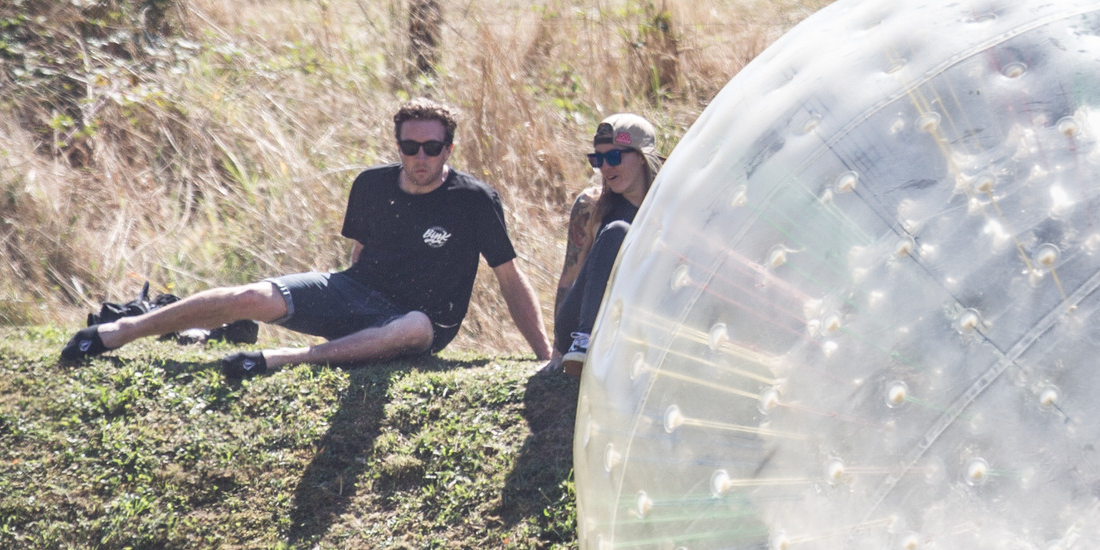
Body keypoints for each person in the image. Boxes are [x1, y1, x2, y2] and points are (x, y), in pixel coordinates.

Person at [60, 99, 552, 377]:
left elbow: (509, 278)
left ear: (449, 147)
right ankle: (117, 334)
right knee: (250, 295)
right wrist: (341, 299)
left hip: (417, 322)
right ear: (397, 144)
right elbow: (357, 255)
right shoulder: (370, 185)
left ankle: (278, 360)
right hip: (355, 294)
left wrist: (544, 359)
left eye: (431, 147)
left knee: (416, 329)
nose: (420, 157)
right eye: (410, 146)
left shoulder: (474, 199)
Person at [551, 114, 659, 375]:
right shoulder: (591, 205)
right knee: (618, 232)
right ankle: (585, 340)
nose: (605, 168)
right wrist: (557, 351)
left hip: (636, 321)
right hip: (579, 322)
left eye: (613, 157)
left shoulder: (669, 205)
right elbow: (570, 277)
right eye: (597, 159)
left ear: (642, 157)